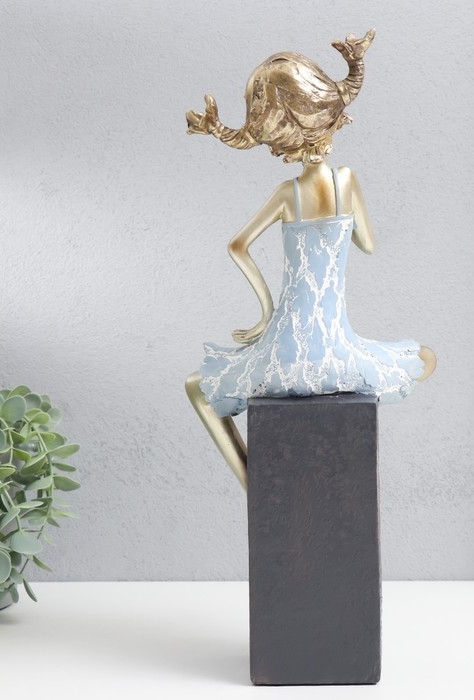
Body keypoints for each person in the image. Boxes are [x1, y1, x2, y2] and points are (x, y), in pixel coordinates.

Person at [185, 29, 436, 490]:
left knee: (196, 389)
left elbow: (237, 246)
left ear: (283, 138)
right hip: (336, 350)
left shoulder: (290, 194)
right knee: (422, 358)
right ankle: (270, 491)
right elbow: (369, 245)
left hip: (286, 351)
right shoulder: (346, 183)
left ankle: (256, 488)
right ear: (330, 119)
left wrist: (265, 313)